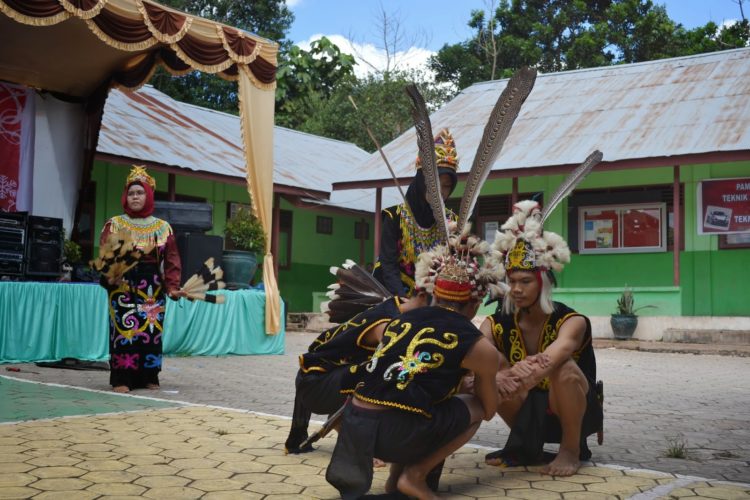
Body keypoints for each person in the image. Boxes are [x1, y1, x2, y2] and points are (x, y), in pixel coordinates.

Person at [326, 235, 504, 500]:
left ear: (435, 293)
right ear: (475, 304)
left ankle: (395, 480)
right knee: (473, 407)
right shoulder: (478, 346)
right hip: (393, 435)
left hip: (355, 431)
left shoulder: (401, 320)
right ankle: (415, 476)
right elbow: (489, 410)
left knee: (416, 394)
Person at [479, 200, 603, 476]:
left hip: (576, 412)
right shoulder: (496, 324)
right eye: (512, 282)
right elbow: (470, 353)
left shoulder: (572, 321)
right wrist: (496, 375)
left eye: (525, 281)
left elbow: (556, 355)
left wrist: (523, 372)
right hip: (526, 412)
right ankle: (527, 448)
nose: (516, 289)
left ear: (542, 283)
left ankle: (570, 450)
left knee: (563, 368)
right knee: (490, 362)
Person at [284, 292, 430, 454]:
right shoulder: (385, 323)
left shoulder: (396, 306)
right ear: (423, 295)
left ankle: (352, 432)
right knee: (383, 374)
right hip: (315, 386)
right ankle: (357, 444)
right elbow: (394, 357)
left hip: (328, 378)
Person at [98, 165, 186, 393]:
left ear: (148, 195)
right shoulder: (115, 224)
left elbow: (172, 259)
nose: (135, 196)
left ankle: (149, 376)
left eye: (140, 192)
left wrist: (173, 286)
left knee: (150, 332)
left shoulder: (162, 227)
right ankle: (122, 379)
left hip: (152, 287)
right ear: (125, 197)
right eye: (131, 193)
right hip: (123, 284)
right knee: (124, 331)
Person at [373, 128, 459, 297]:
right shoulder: (395, 217)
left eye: (447, 186)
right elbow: (388, 266)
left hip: (436, 299)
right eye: (436, 182)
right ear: (422, 180)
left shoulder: (453, 221)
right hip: (394, 296)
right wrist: (405, 302)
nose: (441, 191)